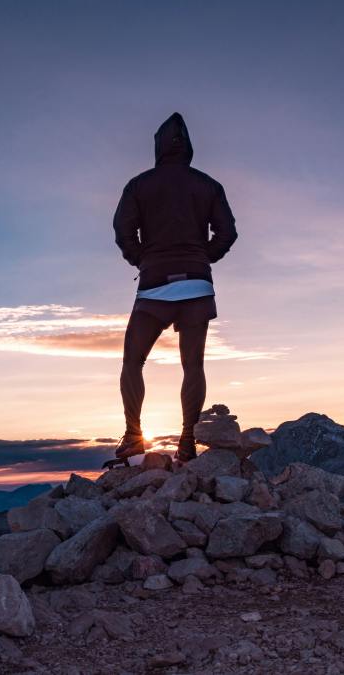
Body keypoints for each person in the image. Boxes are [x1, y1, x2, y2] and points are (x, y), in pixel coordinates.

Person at [112, 112, 238, 463]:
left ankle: (134, 436)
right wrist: (202, 258)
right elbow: (227, 233)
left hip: (154, 285)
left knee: (133, 362)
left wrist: (143, 260)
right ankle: (186, 442)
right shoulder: (208, 184)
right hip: (197, 283)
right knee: (193, 365)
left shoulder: (138, 185)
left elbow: (123, 232)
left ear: (157, 146)